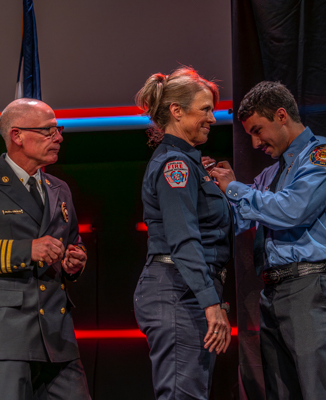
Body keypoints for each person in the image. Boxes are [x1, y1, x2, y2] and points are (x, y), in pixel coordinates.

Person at [210, 81, 326, 400]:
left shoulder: (323, 155)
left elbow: (293, 210)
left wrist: (234, 188)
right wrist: (210, 190)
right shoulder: (268, 176)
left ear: (281, 115)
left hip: (313, 288)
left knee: (318, 393)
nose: (255, 142)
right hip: (274, 292)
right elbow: (239, 220)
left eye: (258, 130)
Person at [0, 99, 90, 399]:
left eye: (58, 130)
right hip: (7, 333)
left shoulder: (59, 189)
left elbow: (73, 242)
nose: (58, 138)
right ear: (17, 135)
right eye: (48, 131)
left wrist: (74, 261)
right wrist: (27, 250)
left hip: (57, 334)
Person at [133, 67, 232, 400]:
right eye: (205, 109)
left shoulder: (189, 163)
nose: (212, 118)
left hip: (186, 289)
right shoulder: (175, 165)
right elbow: (184, 239)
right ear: (177, 110)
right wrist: (210, 303)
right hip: (177, 291)